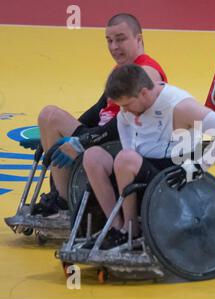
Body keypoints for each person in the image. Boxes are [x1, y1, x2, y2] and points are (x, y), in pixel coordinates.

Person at [82, 64, 215, 250]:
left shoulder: (179, 106)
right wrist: (127, 153)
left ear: (143, 93)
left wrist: (198, 167)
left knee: (125, 159)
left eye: (126, 105)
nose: (124, 111)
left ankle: (131, 230)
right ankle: (115, 227)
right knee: (92, 156)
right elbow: (123, 122)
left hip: (172, 176)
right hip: (140, 170)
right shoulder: (131, 105)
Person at [25, 13, 168, 216]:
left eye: (120, 39)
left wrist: (84, 139)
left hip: (121, 141)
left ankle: (65, 204)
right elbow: (98, 109)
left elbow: (127, 122)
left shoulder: (146, 72)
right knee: (48, 118)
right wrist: (51, 137)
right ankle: (61, 197)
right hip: (104, 134)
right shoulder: (120, 70)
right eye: (109, 41)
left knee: (51, 116)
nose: (113, 47)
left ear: (138, 38)